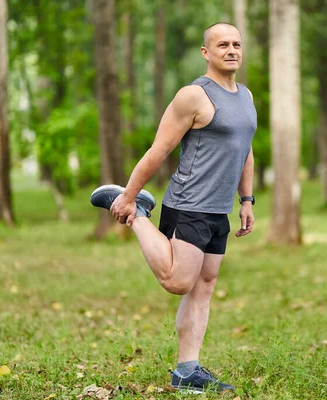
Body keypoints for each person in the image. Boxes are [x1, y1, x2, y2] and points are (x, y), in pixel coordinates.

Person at [90, 22, 256, 393]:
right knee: (178, 282)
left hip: (218, 210)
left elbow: (245, 151)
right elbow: (159, 149)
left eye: (236, 45)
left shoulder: (245, 97)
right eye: (222, 45)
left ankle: (187, 371)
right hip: (189, 203)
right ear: (206, 52)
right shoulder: (193, 96)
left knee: (204, 287)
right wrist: (130, 195)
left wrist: (246, 200)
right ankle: (139, 214)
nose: (231, 50)